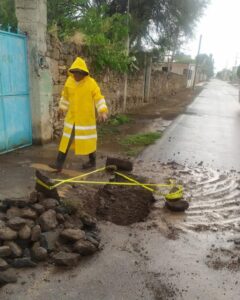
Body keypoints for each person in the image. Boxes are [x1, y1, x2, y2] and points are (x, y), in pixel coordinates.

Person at [50, 57, 108, 172]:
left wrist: (102, 111)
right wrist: (61, 108)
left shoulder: (91, 83)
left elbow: (98, 98)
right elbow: (65, 97)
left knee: (88, 140)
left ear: (84, 73)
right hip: (72, 119)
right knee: (65, 140)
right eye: (75, 72)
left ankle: (92, 162)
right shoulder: (69, 82)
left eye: (79, 73)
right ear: (72, 72)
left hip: (86, 119)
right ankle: (58, 164)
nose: (76, 75)